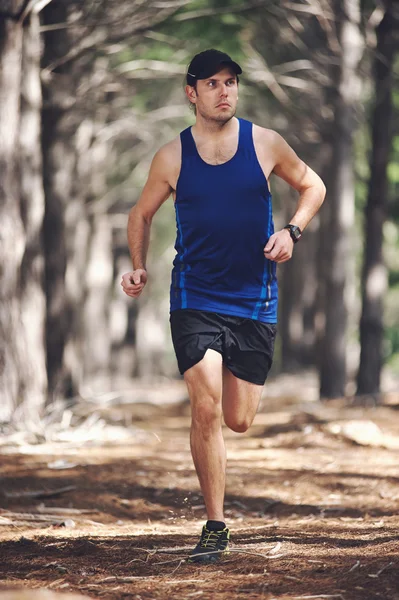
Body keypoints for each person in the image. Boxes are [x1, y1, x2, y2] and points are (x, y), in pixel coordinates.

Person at [121, 49, 326, 564]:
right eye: (212, 83)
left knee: (238, 419)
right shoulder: (172, 156)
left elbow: (312, 185)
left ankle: (217, 508)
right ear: (191, 93)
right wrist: (139, 265)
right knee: (206, 404)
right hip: (194, 295)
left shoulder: (264, 143)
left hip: (254, 298)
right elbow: (140, 213)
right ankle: (215, 524)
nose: (224, 91)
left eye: (231, 82)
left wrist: (293, 230)